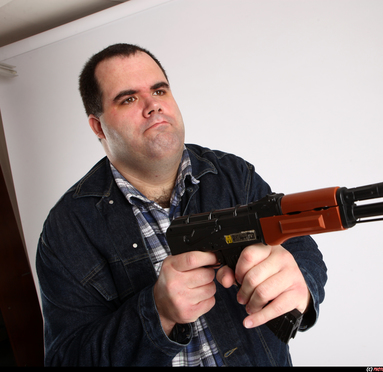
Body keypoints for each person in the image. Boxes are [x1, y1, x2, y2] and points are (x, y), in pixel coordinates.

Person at [35, 43, 327, 367]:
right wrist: (156, 313)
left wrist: (301, 279)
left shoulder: (233, 174)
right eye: (129, 98)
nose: (152, 106)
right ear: (98, 126)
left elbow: (298, 245)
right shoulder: (65, 229)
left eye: (159, 90)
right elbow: (66, 359)